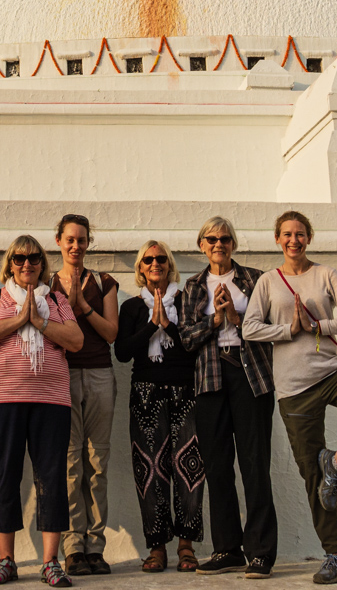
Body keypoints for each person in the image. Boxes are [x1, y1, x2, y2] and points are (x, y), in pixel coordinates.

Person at [240, 211, 337, 586]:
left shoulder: (326, 274)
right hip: (293, 389)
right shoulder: (267, 282)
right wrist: (288, 329)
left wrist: (317, 326)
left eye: (300, 234)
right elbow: (249, 328)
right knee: (313, 478)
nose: (294, 240)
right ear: (277, 239)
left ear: (309, 237)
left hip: (331, 373)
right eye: (287, 235)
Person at [0, 234, 86, 589]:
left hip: (50, 399)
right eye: (19, 259)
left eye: (34, 258)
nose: (26, 265)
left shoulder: (57, 299)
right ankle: (6, 560)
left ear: (42, 263)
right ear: (10, 263)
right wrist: (21, 318)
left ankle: (50, 562)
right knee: (5, 474)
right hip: (2, 397)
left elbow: (77, 341)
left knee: (51, 476)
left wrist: (42, 323)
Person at [178, 215, 276, 579]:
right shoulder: (192, 286)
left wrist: (236, 317)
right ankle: (227, 549)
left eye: (225, 239)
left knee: (254, 464)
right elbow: (186, 339)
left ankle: (261, 552)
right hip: (210, 380)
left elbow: (269, 328)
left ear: (233, 244)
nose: (219, 244)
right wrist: (215, 322)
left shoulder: (256, 280)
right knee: (217, 468)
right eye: (212, 239)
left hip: (250, 377)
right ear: (201, 245)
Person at [113, 240, 203, 574]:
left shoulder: (187, 301)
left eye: (161, 258)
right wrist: (152, 324)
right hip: (146, 393)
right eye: (148, 259)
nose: (155, 263)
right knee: (149, 471)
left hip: (184, 390)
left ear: (169, 265)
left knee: (189, 467)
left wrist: (169, 326)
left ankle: (186, 545)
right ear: (140, 268)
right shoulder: (132, 308)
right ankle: (157, 547)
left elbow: (194, 347)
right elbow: (122, 352)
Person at [51, 214, 118, 577]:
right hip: (61, 375)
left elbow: (110, 333)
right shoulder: (46, 284)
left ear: (89, 243)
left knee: (98, 462)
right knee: (70, 463)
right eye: (70, 239)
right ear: (59, 241)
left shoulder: (105, 282)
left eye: (82, 240)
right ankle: (73, 545)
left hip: (99, 375)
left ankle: (96, 545)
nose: (76, 246)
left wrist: (82, 306)